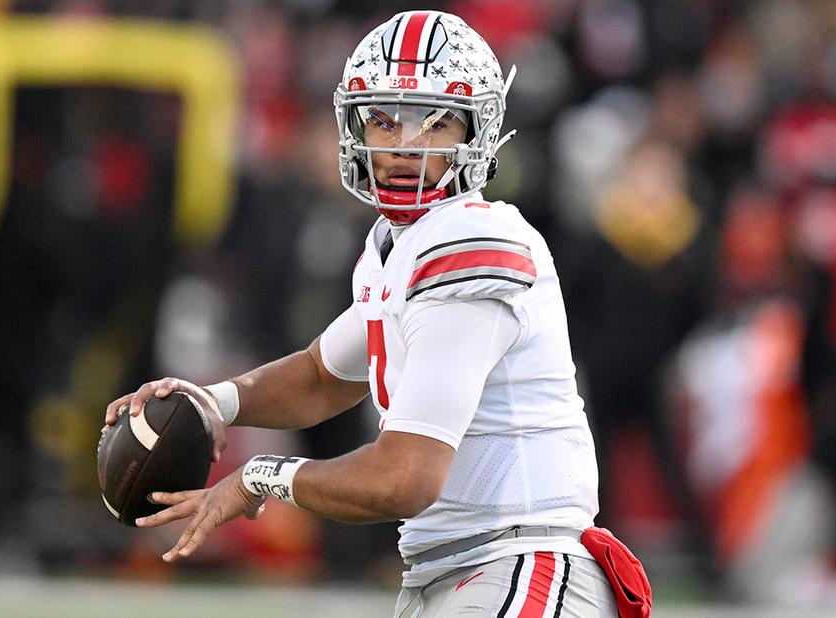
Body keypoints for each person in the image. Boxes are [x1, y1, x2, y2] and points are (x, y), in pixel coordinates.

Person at [106, 11, 644, 617]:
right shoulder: (398, 246)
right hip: (463, 569)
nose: (403, 144)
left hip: (520, 564)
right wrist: (212, 401)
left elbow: (405, 477)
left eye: (434, 122)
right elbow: (321, 377)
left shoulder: (473, 242)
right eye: (384, 119)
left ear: (478, 130)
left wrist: (262, 476)